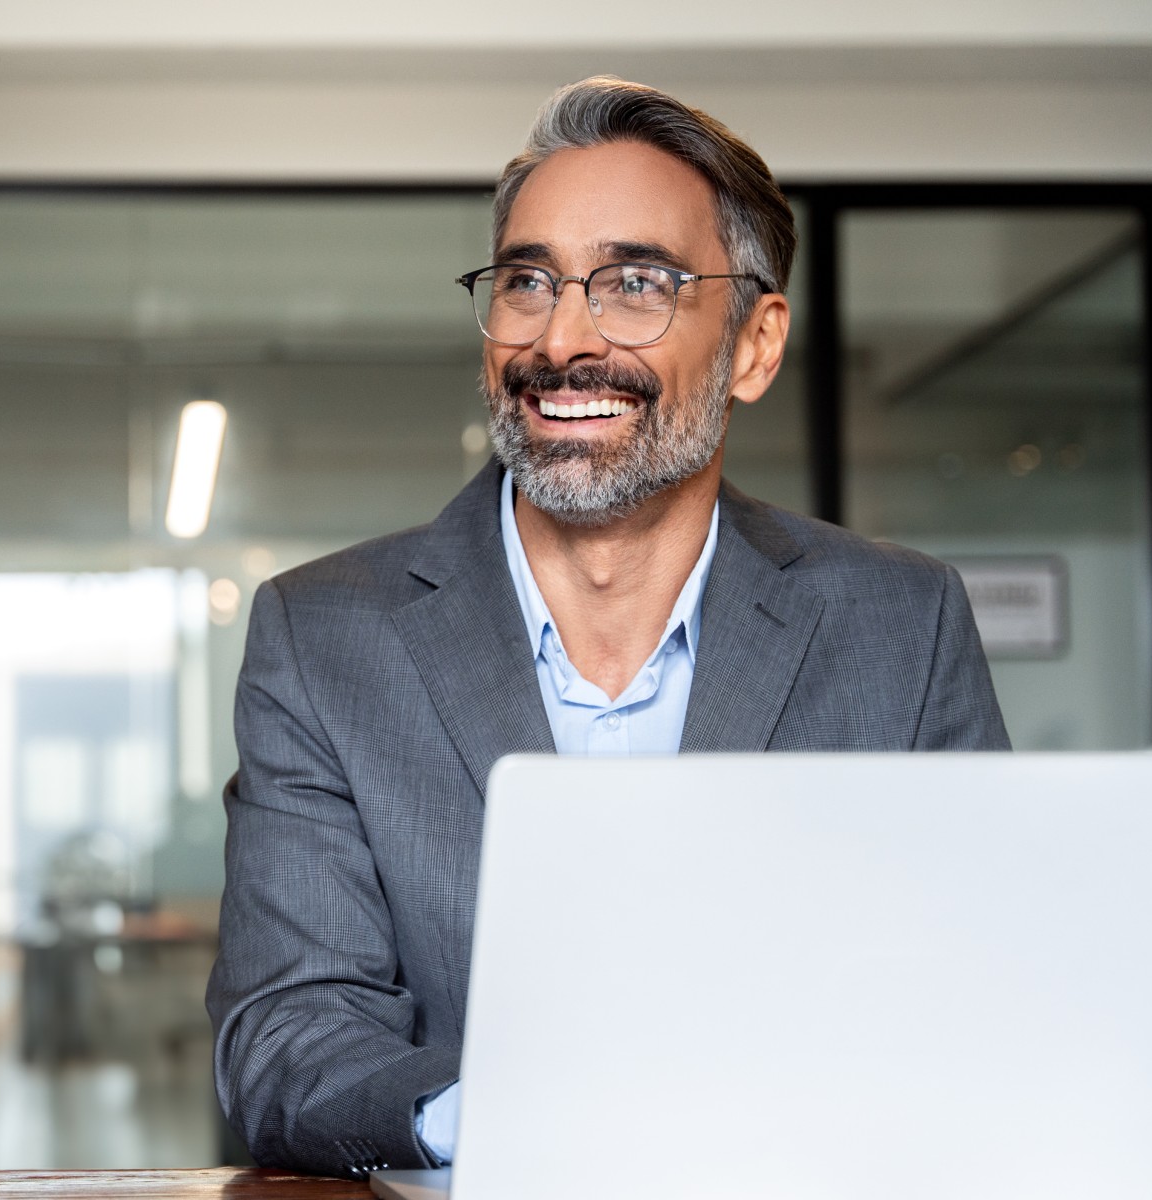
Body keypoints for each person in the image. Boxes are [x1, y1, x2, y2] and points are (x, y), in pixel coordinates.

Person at [205, 76, 1009, 1180]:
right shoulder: (322, 635)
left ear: (753, 345)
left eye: (634, 282)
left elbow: (978, 999)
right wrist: (514, 1117)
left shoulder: (897, 623)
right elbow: (283, 1041)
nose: (562, 337)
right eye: (527, 280)